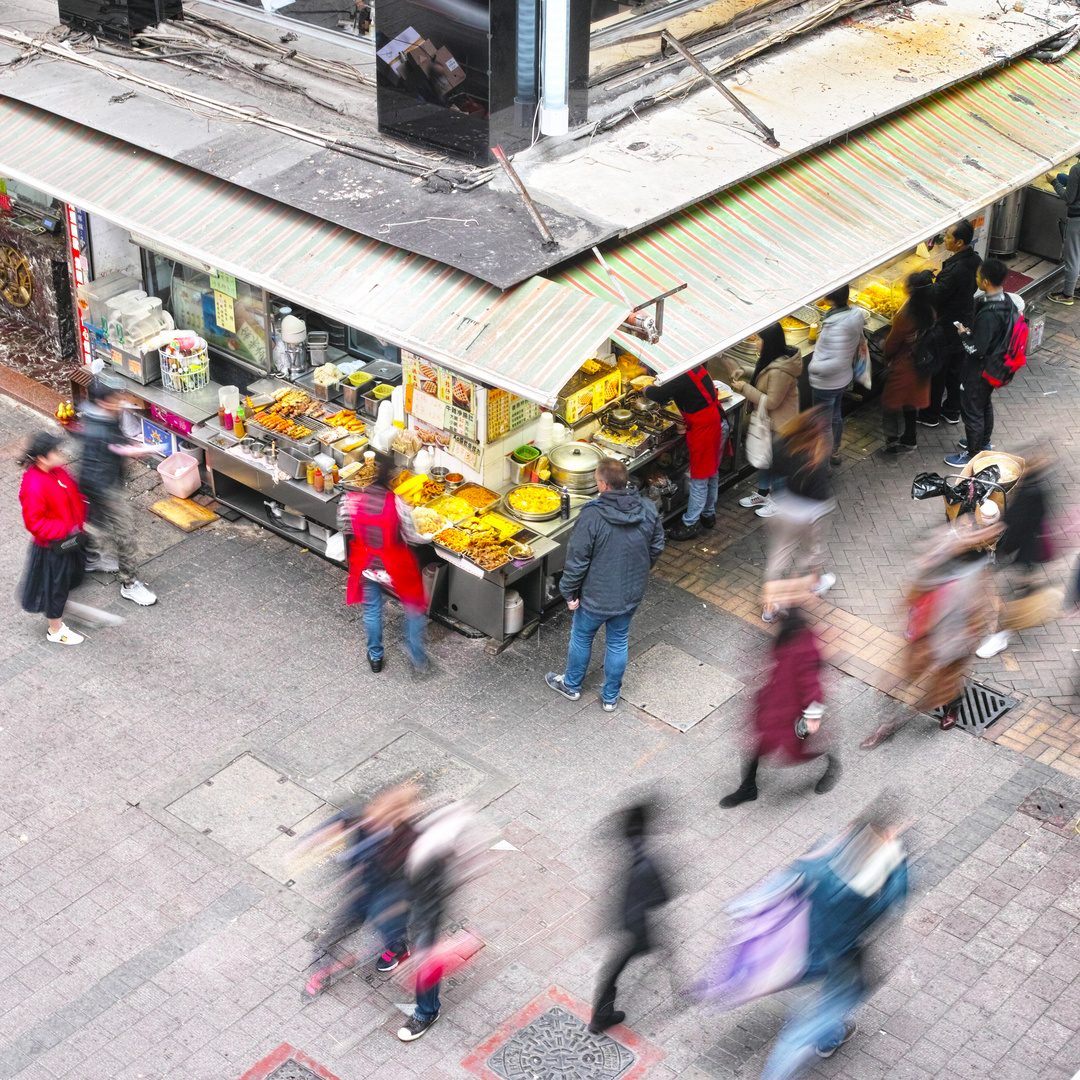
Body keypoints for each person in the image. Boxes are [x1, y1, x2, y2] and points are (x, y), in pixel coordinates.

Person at [757, 799, 908, 1080]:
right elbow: (893, 899)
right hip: (840, 954)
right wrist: (898, 862)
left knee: (820, 1000)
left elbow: (795, 874)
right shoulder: (869, 889)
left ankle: (830, 1036)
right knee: (817, 1016)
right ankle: (805, 1051)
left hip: (806, 942)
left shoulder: (825, 860)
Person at [546, 459, 664, 711]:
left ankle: (572, 685)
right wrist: (639, 572)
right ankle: (610, 697)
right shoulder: (647, 507)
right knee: (618, 641)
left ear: (603, 484)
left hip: (595, 596)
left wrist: (568, 591)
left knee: (581, 638)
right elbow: (656, 546)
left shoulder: (592, 515)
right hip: (630, 594)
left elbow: (577, 560)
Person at [719, 609, 839, 808]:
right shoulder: (790, 640)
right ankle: (748, 787)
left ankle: (831, 761)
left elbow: (813, 688)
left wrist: (812, 717)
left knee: (802, 749)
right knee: (755, 745)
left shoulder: (803, 652)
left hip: (791, 715)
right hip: (773, 708)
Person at [589, 802, 670, 1034]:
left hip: (622, 918)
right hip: (636, 926)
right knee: (615, 968)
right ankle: (601, 1018)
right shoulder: (647, 861)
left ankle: (602, 1015)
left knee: (613, 968)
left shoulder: (628, 845)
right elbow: (662, 897)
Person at [340, 461, 428, 673]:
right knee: (414, 607)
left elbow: (344, 526)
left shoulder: (350, 501)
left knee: (372, 611)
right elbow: (413, 536)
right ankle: (416, 655)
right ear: (390, 481)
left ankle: (376, 656)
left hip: (367, 565)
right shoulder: (397, 504)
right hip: (394, 566)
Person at [77, 376, 158, 606]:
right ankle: (129, 584)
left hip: (98, 482)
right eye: (116, 401)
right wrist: (133, 450)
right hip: (103, 486)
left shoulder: (102, 418)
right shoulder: (98, 429)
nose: (120, 404)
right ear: (103, 403)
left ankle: (91, 557)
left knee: (91, 523)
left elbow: (116, 446)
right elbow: (114, 448)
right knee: (126, 535)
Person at [977, 449, 1055, 658]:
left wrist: (1000, 545)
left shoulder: (1031, 490)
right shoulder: (1032, 487)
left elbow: (1019, 523)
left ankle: (1002, 634)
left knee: (1016, 591)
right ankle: (1005, 627)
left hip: (1023, 549)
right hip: (1025, 548)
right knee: (1020, 585)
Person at [944, 258, 1022, 468]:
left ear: (986, 282)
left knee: (972, 409)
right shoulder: (1006, 301)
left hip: (980, 369)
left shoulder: (990, 314)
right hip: (995, 366)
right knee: (983, 403)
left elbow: (977, 350)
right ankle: (982, 442)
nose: (976, 279)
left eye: (978, 277)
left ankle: (973, 453)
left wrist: (963, 335)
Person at [761, 406, 837, 622]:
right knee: (812, 549)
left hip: (784, 505)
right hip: (811, 511)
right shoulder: (816, 454)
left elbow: (772, 471)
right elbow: (820, 491)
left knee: (779, 553)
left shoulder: (782, 444)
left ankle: (770, 606)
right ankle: (814, 582)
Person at [18, 432, 89, 645]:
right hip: (53, 547)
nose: (62, 454)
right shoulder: (34, 485)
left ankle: (58, 608)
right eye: (56, 451)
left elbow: (71, 495)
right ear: (42, 458)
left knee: (63, 581)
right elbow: (35, 523)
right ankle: (55, 630)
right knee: (54, 587)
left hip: (69, 538)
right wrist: (65, 528)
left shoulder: (55, 471)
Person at [638, 363, 723, 541]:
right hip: (714, 421)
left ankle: (690, 523)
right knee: (711, 472)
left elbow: (659, 394)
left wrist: (645, 389)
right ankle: (708, 514)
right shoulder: (694, 366)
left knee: (699, 478)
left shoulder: (680, 375)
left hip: (704, 429)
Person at [732, 322, 802, 517]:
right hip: (768, 422)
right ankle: (763, 494)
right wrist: (745, 371)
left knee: (776, 463)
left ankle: (778, 501)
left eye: (759, 340)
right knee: (763, 459)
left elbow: (771, 402)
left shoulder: (780, 371)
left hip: (781, 425)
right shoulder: (773, 360)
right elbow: (764, 374)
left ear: (768, 342)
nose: (756, 344)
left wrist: (744, 388)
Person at [919, 219, 982, 427]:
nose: (944, 239)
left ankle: (930, 415)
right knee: (956, 371)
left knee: (939, 370)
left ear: (959, 242)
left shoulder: (955, 270)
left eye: (947, 237)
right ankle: (952, 411)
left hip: (948, 325)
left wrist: (926, 281)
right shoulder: (975, 260)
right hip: (964, 323)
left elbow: (935, 297)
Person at [808, 285, 865, 467]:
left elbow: (836, 361)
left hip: (826, 382)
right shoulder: (853, 316)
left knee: (823, 423)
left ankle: (822, 460)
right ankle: (834, 451)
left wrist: (813, 367)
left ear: (830, 299)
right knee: (835, 416)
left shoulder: (836, 326)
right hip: (842, 378)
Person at [880, 270, 934, 455]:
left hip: (905, 368)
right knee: (910, 404)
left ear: (912, 290)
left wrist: (886, 358)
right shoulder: (930, 310)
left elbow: (891, 344)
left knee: (890, 403)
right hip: (921, 365)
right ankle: (910, 438)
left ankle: (892, 441)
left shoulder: (906, 316)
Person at [1046, 160, 1080, 306]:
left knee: (1073, 257)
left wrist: (1055, 182)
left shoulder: (1076, 169)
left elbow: (1068, 197)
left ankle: (1067, 295)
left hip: (1077, 218)